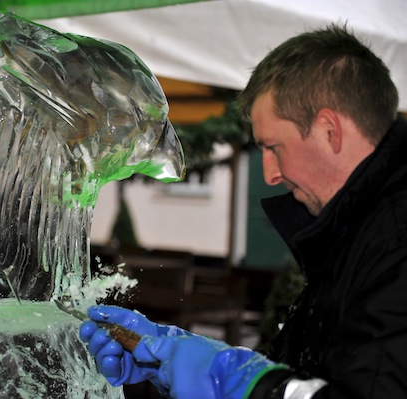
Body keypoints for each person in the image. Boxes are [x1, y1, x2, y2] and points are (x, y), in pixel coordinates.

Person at [79, 23, 407, 399]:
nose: (269, 175)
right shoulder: (359, 233)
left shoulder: (395, 241)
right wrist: (161, 374)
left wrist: (237, 381)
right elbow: (315, 377)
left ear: (330, 130)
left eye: (273, 147)